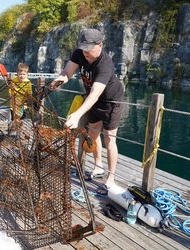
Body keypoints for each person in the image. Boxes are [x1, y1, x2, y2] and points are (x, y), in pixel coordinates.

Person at [50, 28, 124, 195]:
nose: (86, 53)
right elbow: (67, 72)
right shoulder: (80, 53)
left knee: (109, 139)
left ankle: (110, 178)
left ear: (100, 45)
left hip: (111, 102)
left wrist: (77, 115)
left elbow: (95, 93)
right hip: (93, 100)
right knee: (93, 133)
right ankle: (98, 166)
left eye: (89, 49)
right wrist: (60, 80)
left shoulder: (105, 64)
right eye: (83, 48)